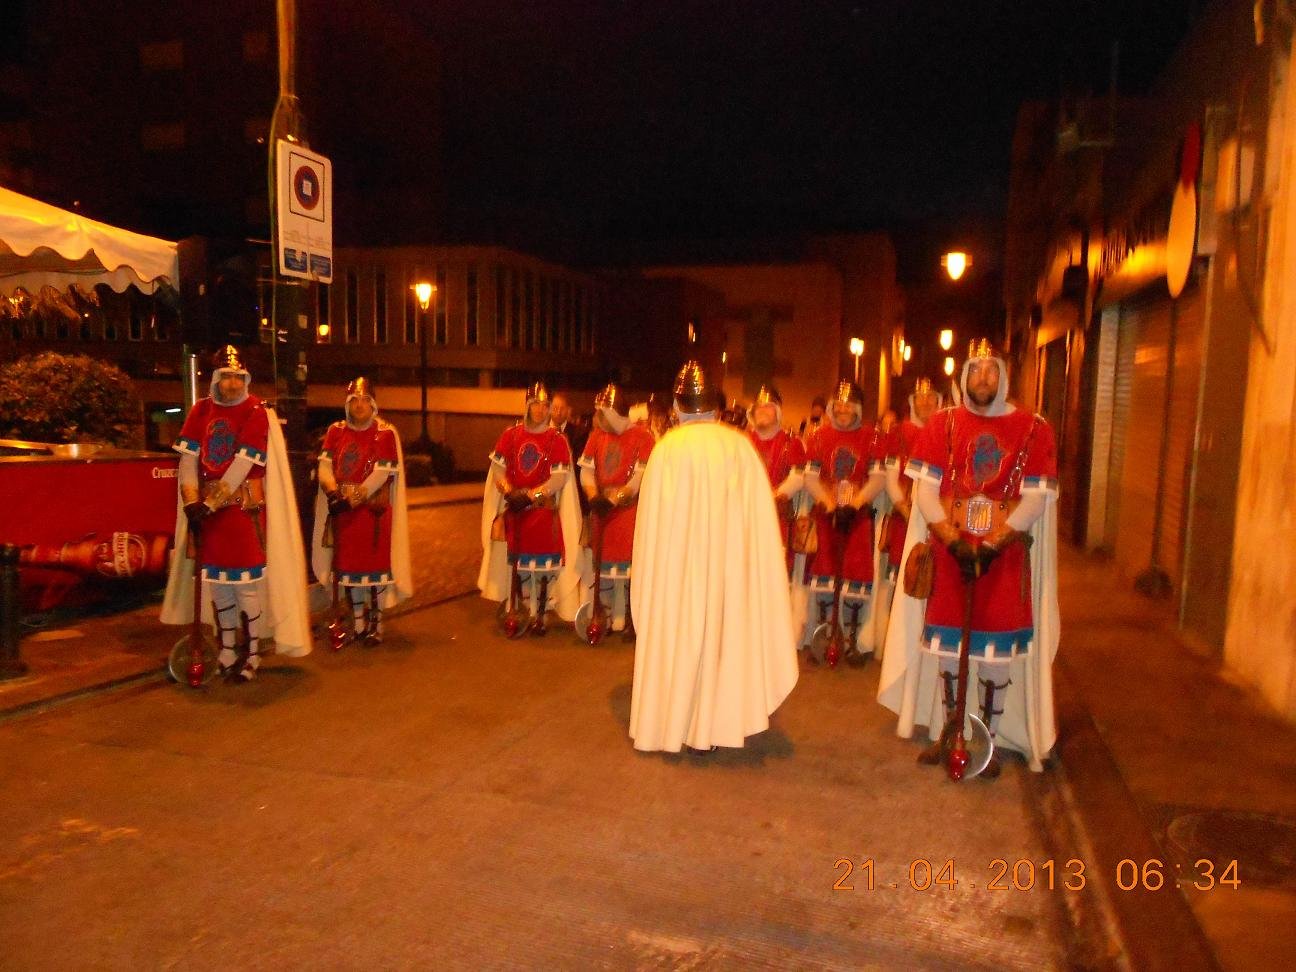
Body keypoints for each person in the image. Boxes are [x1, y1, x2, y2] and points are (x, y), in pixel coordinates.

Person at [879, 340, 1059, 777]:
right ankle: (952, 731)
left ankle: (987, 743)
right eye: (975, 369)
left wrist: (994, 543)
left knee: (995, 652)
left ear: (1003, 376)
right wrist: (952, 540)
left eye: (990, 369)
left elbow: (1035, 498)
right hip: (951, 549)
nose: (982, 377)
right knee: (948, 646)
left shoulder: (1033, 428)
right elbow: (925, 491)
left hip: (1005, 555)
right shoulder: (942, 425)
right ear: (963, 377)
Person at [629, 361, 798, 752]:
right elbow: (758, 523)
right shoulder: (739, 447)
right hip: (727, 575)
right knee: (723, 639)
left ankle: (673, 724)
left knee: (678, 639)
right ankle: (716, 727)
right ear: (714, 405)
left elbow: (650, 527)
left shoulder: (666, 450)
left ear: (677, 405)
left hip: (676, 575)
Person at [160, 345, 311, 680]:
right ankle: (228, 649)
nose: (232, 383)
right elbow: (188, 459)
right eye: (226, 376)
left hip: (243, 510)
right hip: (207, 514)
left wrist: (211, 503)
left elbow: (244, 462)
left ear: (246, 378)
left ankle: (252, 653)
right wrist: (190, 501)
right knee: (218, 585)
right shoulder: (201, 411)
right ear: (216, 378)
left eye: (238, 376)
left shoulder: (256, 411)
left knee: (245, 586)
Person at [310, 378, 412, 645]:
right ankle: (357, 623)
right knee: (350, 573)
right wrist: (332, 491)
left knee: (374, 572)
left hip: (373, 513)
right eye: (354, 400)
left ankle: (375, 625)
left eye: (365, 400)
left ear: (373, 404)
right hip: (343, 511)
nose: (359, 405)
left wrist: (354, 499)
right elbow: (325, 466)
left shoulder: (384, 433)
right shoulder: (336, 431)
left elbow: (382, 472)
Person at [478, 381, 583, 631]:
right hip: (516, 511)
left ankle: (540, 614)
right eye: (535, 404)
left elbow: (559, 478)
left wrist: (532, 495)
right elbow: (498, 469)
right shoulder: (511, 435)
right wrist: (509, 491)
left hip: (542, 512)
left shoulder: (556, 440)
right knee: (518, 566)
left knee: (542, 569)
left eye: (545, 405)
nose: (540, 409)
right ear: (527, 405)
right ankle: (521, 609)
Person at [800, 380, 887, 662]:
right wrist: (828, 505)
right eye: (838, 405)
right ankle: (823, 633)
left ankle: (851, 637)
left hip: (857, 516)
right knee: (824, 572)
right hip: (826, 515)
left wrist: (855, 504)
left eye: (849, 405)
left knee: (855, 574)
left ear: (857, 408)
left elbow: (878, 478)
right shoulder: (819, 436)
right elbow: (810, 477)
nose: (843, 410)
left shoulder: (871, 437)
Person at [578, 382, 655, 633]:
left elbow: (640, 476)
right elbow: (586, 471)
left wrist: (615, 498)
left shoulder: (643, 437)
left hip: (628, 511)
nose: (599, 417)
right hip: (601, 509)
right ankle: (607, 612)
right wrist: (593, 496)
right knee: (604, 565)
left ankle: (627, 614)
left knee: (626, 566)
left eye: (604, 412)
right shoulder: (597, 436)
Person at [877, 378, 943, 643]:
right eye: (920, 397)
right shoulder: (899, 434)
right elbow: (892, 480)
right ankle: (900, 643)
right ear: (912, 402)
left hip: (939, 521)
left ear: (939, 401)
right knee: (902, 582)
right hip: (906, 517)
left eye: (930, 397)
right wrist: (907, 511)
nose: (925, 402)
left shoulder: (946, 430)